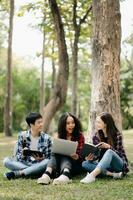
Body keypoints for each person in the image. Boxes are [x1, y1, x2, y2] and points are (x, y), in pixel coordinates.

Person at [80, 112, 129, 184]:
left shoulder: (117, 135)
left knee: (109, 152)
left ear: (105, 124)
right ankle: (112, 174)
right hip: (105, 166)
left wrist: (109, 147)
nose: (96, 124)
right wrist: (91, 158)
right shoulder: (96, 136)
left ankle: (92, 176)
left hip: (118, 165)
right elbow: (97, 157)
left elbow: (120, 155)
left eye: (99, 122)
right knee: (85, 163)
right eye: (96, 122)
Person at [37, 112, 85, 185]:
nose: (71, 125)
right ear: (63, 125)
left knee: (67, 153)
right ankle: (47, 174)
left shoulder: (80, 136)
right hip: (59, 165)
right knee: (56, 151)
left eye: (73, 123)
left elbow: (82, 155)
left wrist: (77, 157)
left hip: (74, 165)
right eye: (68, 123)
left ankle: (66, 174)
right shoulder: (60, 135)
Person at [3, 112, 52, 180]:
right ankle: (34, 172)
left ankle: (19, 173)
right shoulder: (22, 136)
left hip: (39, 164)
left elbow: (50, 158)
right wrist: (23, 154)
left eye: (42, 122)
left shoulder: (47, 138)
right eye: (39, 122)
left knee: (47, 162)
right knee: (6, 161)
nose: (41, 124)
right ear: (31, 124)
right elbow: (18, 157)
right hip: (25, 164)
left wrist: (41, 159)